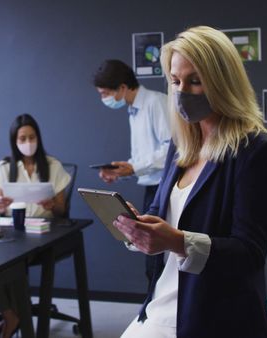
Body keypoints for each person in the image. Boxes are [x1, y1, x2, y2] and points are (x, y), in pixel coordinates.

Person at [113, 26, 267, 338]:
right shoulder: (179, 147)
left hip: (215, 316)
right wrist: (137, 225)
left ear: (223, 83)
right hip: (161, 304)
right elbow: (159, 211)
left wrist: (176, 241)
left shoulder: (258, 154)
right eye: (175, 81)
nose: (181, 91)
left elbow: (249, 254)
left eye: (195, 81)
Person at [0, 113, 71, 338]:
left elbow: (61, 210)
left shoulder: (52, 165)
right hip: (12, 230)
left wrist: (52, 203)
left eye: (32, 137)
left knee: (12, 259)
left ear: (38, 137)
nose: (28, 143)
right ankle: (10, 313)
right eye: (23, 138)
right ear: (15, 142)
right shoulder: (5, 167)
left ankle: (15, 315)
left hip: (42, 233)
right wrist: (0, 205)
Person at [92, 59, 171, 284]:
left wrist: (134, 167)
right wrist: (121, 171)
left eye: (105, 93)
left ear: (123, 87)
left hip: (164, 189)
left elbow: (171, 151)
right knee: (150, 256)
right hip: (151, 188)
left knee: (156, 259)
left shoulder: (156, 103)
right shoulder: (134, 110)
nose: (103, 98)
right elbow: (146, 158)